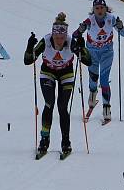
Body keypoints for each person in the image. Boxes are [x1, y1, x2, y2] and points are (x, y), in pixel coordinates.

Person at [24, 12, 91, 156]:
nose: (59, 40)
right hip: (47, 72)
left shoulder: (70, 41)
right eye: (57, 37)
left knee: (62, 107)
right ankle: (44, 140)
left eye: (61, 37)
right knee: (49, 103)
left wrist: (82, 48)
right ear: (52, 35)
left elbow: (88, 61)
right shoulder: (46, 41)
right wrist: (30, 46)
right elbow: (28, 60)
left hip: (66, 74)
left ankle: (66, 142)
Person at [76, 0, 124, 123]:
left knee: (104, 79)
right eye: (97, 8)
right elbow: (75, 34)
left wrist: (121, 27)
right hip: (92, 52)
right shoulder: (90, 20)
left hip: (107, 52)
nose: (99, 10)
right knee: (93, 77)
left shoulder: (111, 18)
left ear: (106, 8)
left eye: (102, 8)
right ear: (93, 10)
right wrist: (80, 30)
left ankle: (106, 107)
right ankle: (92, 93)